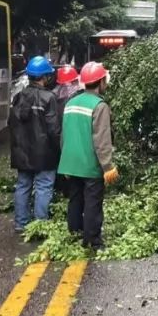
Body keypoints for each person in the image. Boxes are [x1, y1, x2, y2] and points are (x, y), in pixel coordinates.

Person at [58, 62, 118, 251]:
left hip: (70, 162)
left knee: (75, 198)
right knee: (93, 201)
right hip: (89, 164)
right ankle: (93, 240)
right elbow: (102, 141)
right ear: (100, 81)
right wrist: (108, 167)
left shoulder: (70, 103)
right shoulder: (100, 106)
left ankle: (75, 232)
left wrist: (65, 161)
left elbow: (64, 136)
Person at [9, 56, 61, 233]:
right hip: (44, 154)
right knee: (43, 186)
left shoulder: (18, 97)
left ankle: (21, 224)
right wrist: (61, 150)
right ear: (45, 77)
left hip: (22, 153)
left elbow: (12, 125)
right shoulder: (49, 98)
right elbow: (54, 130)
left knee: (23, 185)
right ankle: (40, 225)